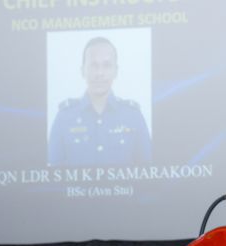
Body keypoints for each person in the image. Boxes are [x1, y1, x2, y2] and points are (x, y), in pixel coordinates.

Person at [48, 37, 152, 166]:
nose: (99, 73)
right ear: (82, 71)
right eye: (93, 65)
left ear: (116, 71)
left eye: (107, 65)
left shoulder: (133, 116)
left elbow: (147, 171)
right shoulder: (64, 117)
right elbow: (52, 172)